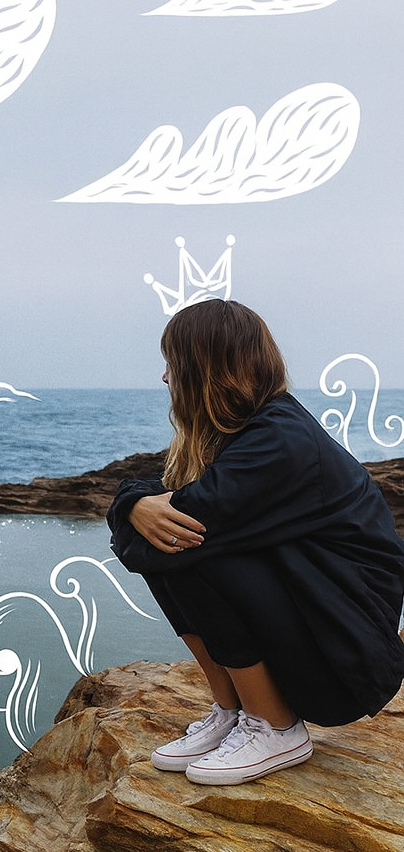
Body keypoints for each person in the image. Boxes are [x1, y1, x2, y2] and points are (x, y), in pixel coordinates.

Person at [107, 299, 404, 786]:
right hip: (316, 628)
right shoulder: (238, 433)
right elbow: (145, 489)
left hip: (346, 654)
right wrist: (134, 507)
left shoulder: (280, 441)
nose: (164, 378)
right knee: (175, 541)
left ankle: (276, 726)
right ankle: (235, 709)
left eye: (173, 363)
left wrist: (139, 518)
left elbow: (162, 536)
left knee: (187, 547)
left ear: (208, 367)